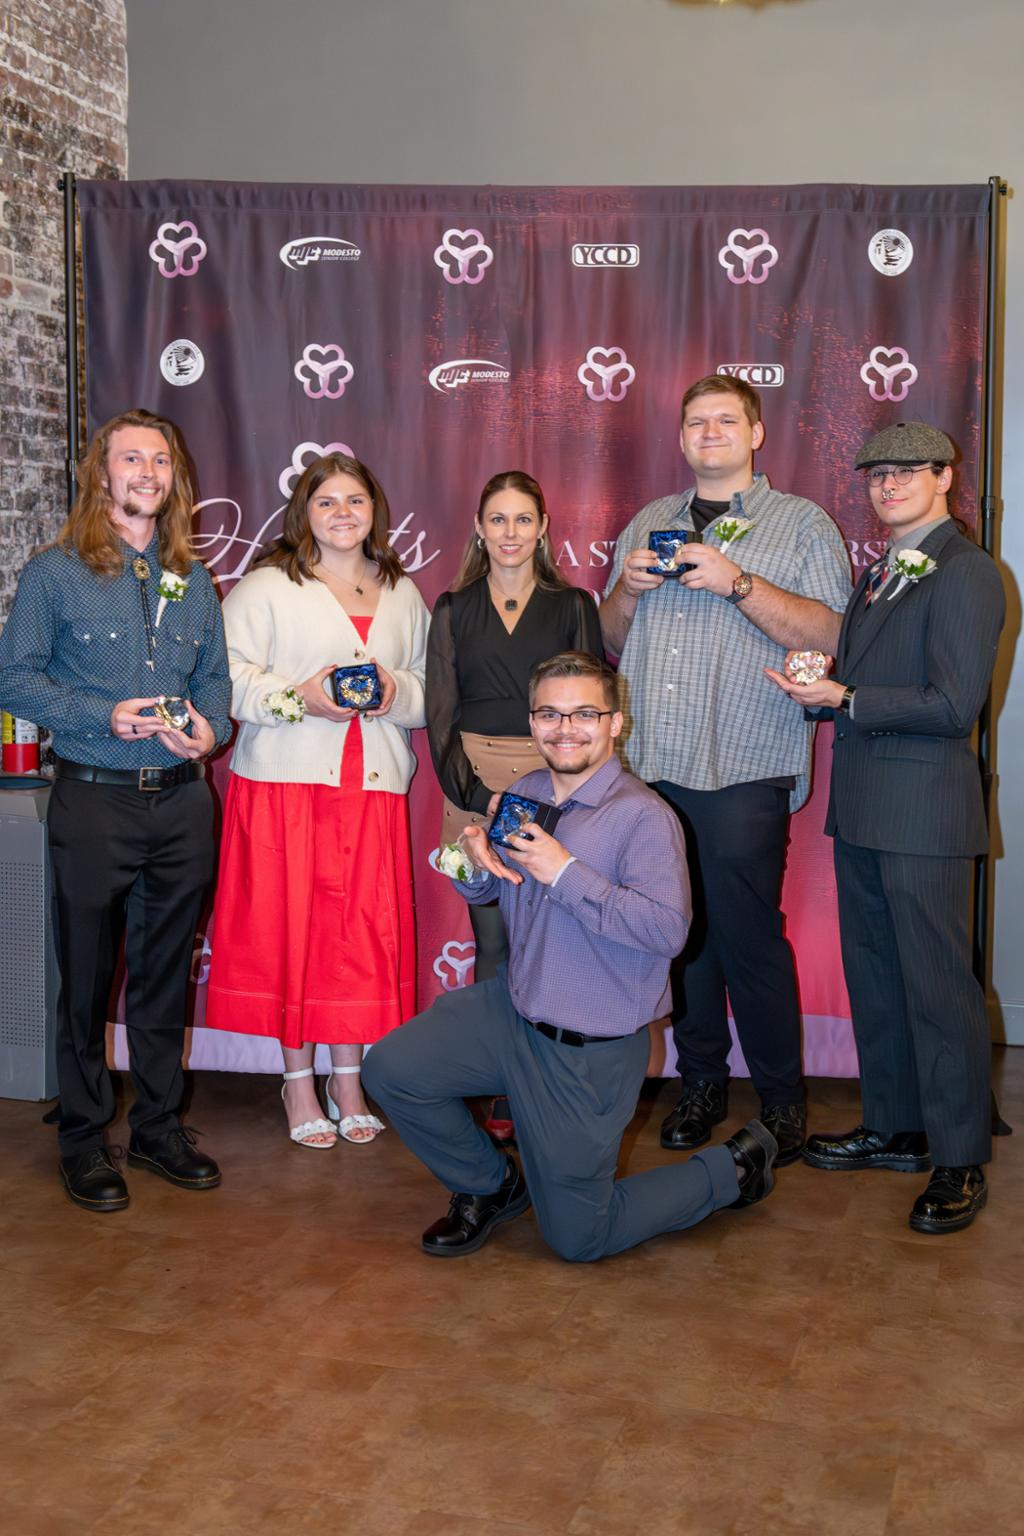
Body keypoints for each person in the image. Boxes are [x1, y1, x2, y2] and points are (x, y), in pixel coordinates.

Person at [362, 652, 778, 1263]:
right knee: (391, 1069)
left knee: (581, 1237)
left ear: (615, 723)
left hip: (588, 1051)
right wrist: (476, 869)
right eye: (551, 714)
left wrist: (566, 873)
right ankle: (491, 1187)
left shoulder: (645, 818)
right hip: (513, 1011)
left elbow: (668, 932)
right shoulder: (525, 791)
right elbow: (502, 886)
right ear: (532, 723)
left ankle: (731, 1169)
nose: (565, 728)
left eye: (585, 713)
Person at [600, 374, 851, 1164]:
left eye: (725, 421)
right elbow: (608, 633)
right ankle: (701, 1083)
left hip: (745, 757)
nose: (709, 433)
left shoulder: (801, 523)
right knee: (681, 937)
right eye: (696, 423)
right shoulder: (650, 521)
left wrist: (736, 582)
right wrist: (629, 590)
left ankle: (780, 1103)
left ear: (756, 433)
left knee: (747, 936)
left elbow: (830, 630)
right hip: (652, 760)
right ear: (681, 439)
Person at [766, 421, 1005, 1234]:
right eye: (876, 475)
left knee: (940, 991)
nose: (889, 485)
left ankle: (959, 1157)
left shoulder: (968, 574)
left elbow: (952, 704)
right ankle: (898, 1127)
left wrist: (848, 701)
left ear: (946, 476)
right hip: (865, 808)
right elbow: (875, 675)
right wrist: (821, 681)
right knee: (877, 977)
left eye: (908, 471)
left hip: (926, 816)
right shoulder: (881, 572)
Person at [0, 408, 231, 1211]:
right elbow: (16, 679)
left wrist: (212, 730)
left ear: (174, 478)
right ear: (102, 474)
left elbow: (214, 684)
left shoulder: (193, 579)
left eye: (160, 461)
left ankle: (161, 1130)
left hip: (180, 807)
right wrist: (105, 716)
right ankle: (83, 1138)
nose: (147, 473)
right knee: (87, 980)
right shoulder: (54, 573)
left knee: (165, 977)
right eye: (131, 459)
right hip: (93, 803)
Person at [204, 452, 428, 1148]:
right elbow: (225, 677)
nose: (342, 514)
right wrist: (296, 699)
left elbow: (426, 685)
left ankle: (348, 1078)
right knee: (294, 937)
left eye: (354, 501)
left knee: (356, 940)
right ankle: (297, 1082)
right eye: (326, 501)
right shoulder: (269, 585)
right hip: (286, 790)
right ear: (304, 512)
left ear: (374, 512)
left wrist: (397, 692)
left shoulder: (401, 591)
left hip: (371, 789)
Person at [426, 470, 603, 1141]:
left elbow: (585, 709)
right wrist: (483, 798)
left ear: (543, 529)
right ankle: (503, 1084)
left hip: (554, 779)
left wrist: (552, 788)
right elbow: (440, 717)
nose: (509, 533)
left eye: (522, 520)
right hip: (472, 783)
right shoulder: (451, 605)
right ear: (478, 528)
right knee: (494, 938)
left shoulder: (573, 605)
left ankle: (558, 1076)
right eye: (496, 520)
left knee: (563, 933)